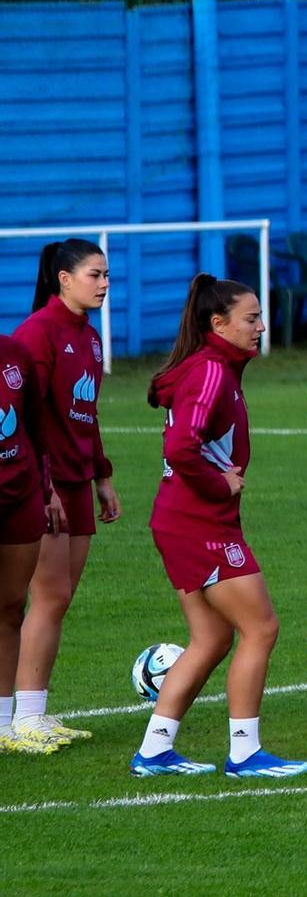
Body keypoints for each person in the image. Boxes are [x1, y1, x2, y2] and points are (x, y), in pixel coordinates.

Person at [131, 276, 307, 778]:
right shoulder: (211, 371)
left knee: (210, 639)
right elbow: (180, 448)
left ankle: (155, 749)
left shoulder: (215, 368)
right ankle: (245, 753)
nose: (260, 326)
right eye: (250, 318)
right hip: (198, 523)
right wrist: (219, 485)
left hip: (184, 521)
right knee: (262, 627)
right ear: (218, 324)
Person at [9, 237, 115, 749]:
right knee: (47, 597)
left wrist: (102, 475)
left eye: (106, 274)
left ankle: (35, 710)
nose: (104, 283)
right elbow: (27, 422)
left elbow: (84, 414)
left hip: (75, 481)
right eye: (94, 274)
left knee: (60, 598)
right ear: (63, 278)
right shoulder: (37, 334)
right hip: (44, 485)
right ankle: (23, 717)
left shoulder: (89, 337)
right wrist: (44, 486)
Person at [0, 327, 57, 755]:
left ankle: (4, 725)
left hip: (20, 495)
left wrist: (47, 488)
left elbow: (37, 432)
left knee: (10, 607)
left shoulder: (14, 355)